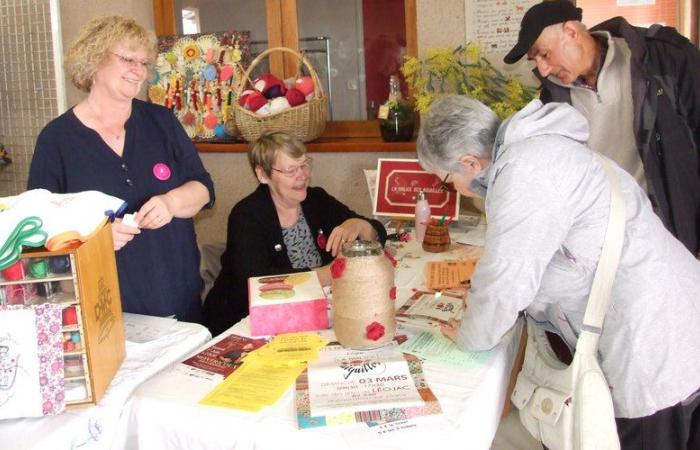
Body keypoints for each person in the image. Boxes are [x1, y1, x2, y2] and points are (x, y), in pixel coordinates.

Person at [417, 94, 700, 449]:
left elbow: (504, 282)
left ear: (470, 162)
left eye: (445, 180)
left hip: (652, 341)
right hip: (669, 316)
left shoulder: (525, 171)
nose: (452, 190)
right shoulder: (537, 150)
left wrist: (470, 334)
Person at [28, 16, 215, 323]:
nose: (139, 70)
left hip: (182, 304)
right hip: (106, 313)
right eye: (128, 59)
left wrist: (171, 202)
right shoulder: (57, 140)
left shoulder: (162, 123)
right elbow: (39, 230)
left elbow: (204, 189)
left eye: (144, 62)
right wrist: (93, 238)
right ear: (93, 60)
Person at [503, 0, 700, 257]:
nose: (542, 68)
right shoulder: (553, 100)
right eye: (536, 59)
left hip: (673, 227)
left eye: (544, 54)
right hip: (606, 237)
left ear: (572, 32)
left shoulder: (662, 58)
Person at [203, 131, 387, 336]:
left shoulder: (316, 200)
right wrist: (326, 274)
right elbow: (256, 281)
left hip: (310, 316)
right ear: (263, 175)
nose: (303, 175)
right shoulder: (246, 215)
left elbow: (379, 235)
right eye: (291, 170)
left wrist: (359, 224)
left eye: (304, 164)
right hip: (245, 324)